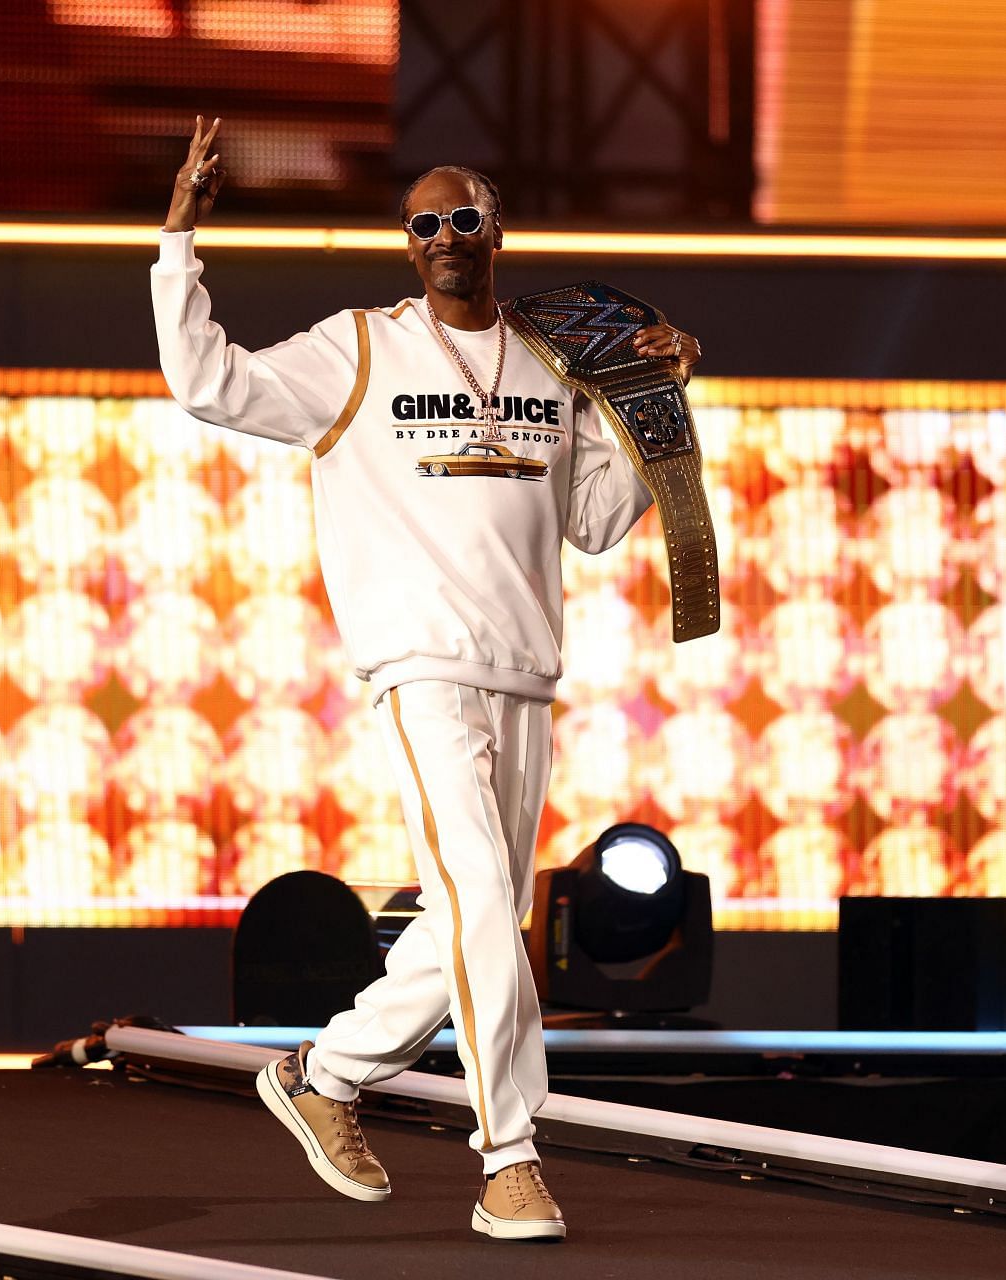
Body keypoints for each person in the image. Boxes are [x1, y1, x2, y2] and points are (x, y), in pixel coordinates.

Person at [151, 116, 702, 1243]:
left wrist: (653, 408)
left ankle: (326, 1074)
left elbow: (597, 522)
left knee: (464, 911)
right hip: (425, 668)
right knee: (488, 907)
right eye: (422, 223)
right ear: (408, 245)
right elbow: (209, 383)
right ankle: (510, 1156)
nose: (443, 235)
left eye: (462, 217)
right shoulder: (359, 347)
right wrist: (179, 240)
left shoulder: (554, 364)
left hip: (527, 673)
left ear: (496, 230)